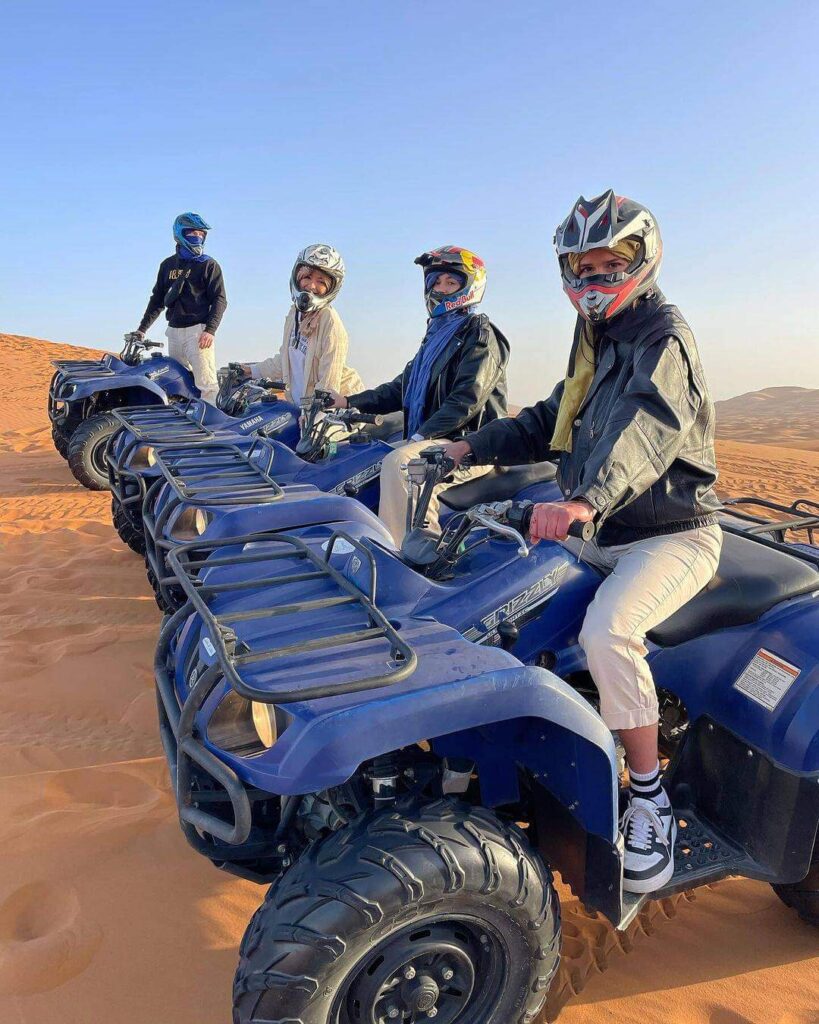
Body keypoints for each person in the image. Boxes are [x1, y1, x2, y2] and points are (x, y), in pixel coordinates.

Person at [443, 191, 722, 893]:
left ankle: (649, 795)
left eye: (608, 265)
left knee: (608, 632)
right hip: (603, 527)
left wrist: (581, 500)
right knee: (502, 601)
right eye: (582, 267)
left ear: (640, 261)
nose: (593, 281)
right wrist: (468, 446)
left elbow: (644, 430)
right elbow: (552, 417)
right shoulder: (597, 337)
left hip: (669, 533)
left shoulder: (661, 336)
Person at [331, 246, 510, 543]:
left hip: (471, 443)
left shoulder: (480, 333)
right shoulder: (436, 337)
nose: (441, 289)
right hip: (437, 437)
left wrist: (422, 435)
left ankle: (414, 551)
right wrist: (349, 401)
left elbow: (467, 398)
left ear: (470, 286)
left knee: (403, 465)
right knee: (372, 457)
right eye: (435, 282)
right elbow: (400, 388)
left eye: (451, 283)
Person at [242, 244, 363, 405]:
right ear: (297, 278)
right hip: (303, 407)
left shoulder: (329, 320)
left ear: (331, 288)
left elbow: (329, 380)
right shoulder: (294, 315)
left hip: (335, 411)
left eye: (321, 281)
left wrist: (314, 411)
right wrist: (251, 371)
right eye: (307, 277)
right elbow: (285, 361)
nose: (312, 285)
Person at [134, 212, 226, 403]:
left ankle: (214, 428)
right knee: (178, 383)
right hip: (174, 333)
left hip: (198, 334)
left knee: (207, 385)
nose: (197, 237)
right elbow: (157, 300)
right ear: (180, 233)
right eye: (192, 232)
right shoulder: (167, 266)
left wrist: (210, 330)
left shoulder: (208, 265)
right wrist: (142, 329)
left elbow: (220, 299)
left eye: (201, 234)